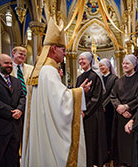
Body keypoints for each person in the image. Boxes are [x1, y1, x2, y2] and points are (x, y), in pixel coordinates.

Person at [21, 17, 90, 167]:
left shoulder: (41, 69)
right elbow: (60, 101)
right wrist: (80, 92)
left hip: (42, 125)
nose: (65, 54)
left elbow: (53, 99)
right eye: (63, 50)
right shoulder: (48, 70)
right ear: (53, 49)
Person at [110, 54, 138, 166]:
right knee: (121, 142)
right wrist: (119, 107)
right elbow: (113, 96)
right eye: (123, 63)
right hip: (120, 115)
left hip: (133, 114)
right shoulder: (119, 81)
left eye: (127, 63)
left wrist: (127, 107)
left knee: (131, 142)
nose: (124, 65)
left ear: (134, 65)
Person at [76, 52, 108, 167]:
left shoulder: (95, 76)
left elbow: (96, 97)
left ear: (90, 61)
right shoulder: (79, 77)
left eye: (83, 59)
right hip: (82, 113)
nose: (81, 62)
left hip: (93, 113)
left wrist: (86, 111)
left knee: (93, 140)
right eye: (79, 59)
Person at [0, 54, 26, 167]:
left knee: (13, 158)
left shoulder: (16, 81)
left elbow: (23, 97)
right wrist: (11, 112)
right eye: (6, 63)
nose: (9, 66)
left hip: (15, 127)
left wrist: (20, 110)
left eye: (10, 63)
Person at [99, 58, 118, 162]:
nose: (101, 68)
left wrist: (104, 105)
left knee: (110, 130)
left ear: (108, 66)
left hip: (110, 108)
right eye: (100, 66)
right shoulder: (99, 78)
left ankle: (111, 153)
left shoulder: (114, 78)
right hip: (101, 109)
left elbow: (112, 94)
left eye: (103, 66)